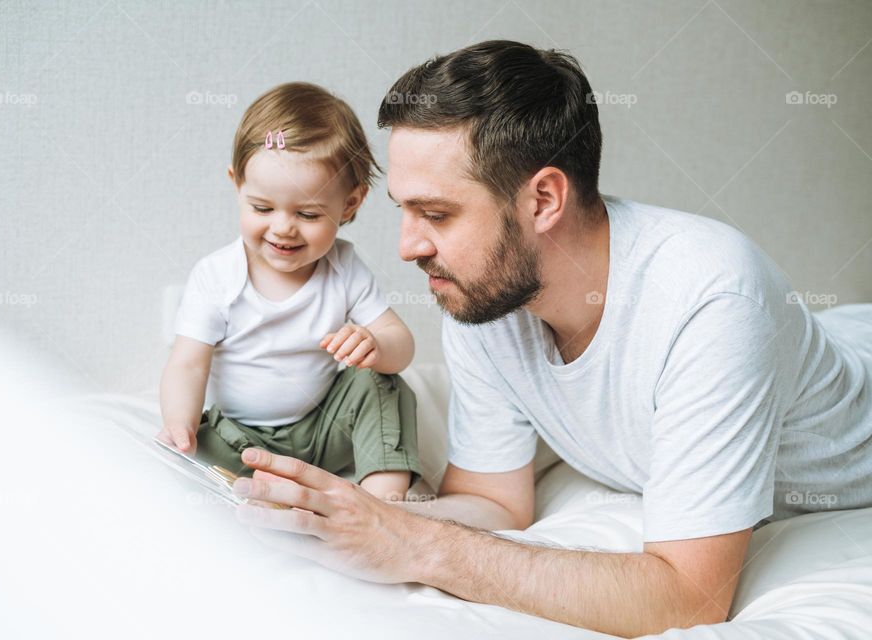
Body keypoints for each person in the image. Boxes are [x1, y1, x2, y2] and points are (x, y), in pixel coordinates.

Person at [227, 42, 872, 636]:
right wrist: (349, 518)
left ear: (542, 200)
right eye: (403, 209)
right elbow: (492, 501)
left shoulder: (712, 300)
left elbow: (688, 598)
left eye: (438, 213)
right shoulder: (483, 297)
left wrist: (415, 546)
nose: (407, 247)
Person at [155, 82, 421, 501]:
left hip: (321, 430)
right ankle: (260, 484)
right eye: (262, 208)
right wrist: (179, 424)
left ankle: (382, 501)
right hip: (239, 436)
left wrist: (376, 345)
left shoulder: (344, 267)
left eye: (309, 213)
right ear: (237, 184)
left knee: (384, 383)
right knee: (184, 462)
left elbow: (402, 345)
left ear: (349, 205)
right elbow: (187, 365)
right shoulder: (217, 275)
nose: (283, 227)